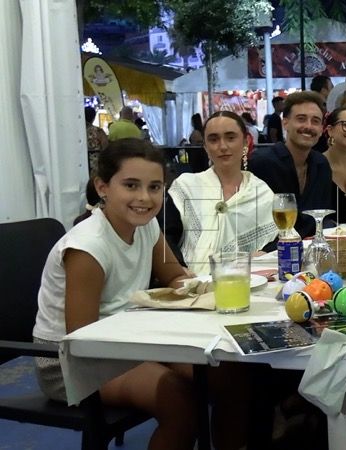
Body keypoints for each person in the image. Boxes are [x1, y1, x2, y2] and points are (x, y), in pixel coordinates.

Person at [32, 139, 250, 450]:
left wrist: (193, 289)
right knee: (179, 401)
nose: (145, 198)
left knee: (230, 376)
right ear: (103, 187)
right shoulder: (87, 248)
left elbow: (174, 276)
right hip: (71, 362)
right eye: (131, 185)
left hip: (128, 341)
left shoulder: (146, 226)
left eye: (154, 187)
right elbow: (81, 339)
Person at [162, 111, 279, 274]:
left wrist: (262, 253)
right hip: (190, 280)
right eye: (213, 139)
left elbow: (282, 236)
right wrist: (180, 269)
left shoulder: (260, 191)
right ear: (205, 146)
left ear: (245, 142)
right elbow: (166, 236)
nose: (223, 146)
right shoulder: (186, 186)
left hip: (244, 279)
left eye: (230, 138)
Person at [249, 91, 333, 238]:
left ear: (321, 129)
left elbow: (323, 217)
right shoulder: (261, 163)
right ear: (285, 123)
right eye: (301, 119)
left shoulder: (322, 164)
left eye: (315, 121)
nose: (308, 126)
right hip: (271, 249)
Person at [85, 106, 108, 174]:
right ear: (94, 117)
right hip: (95, 162)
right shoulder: (98, 131)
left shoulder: (76, 132)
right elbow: (105, 146)